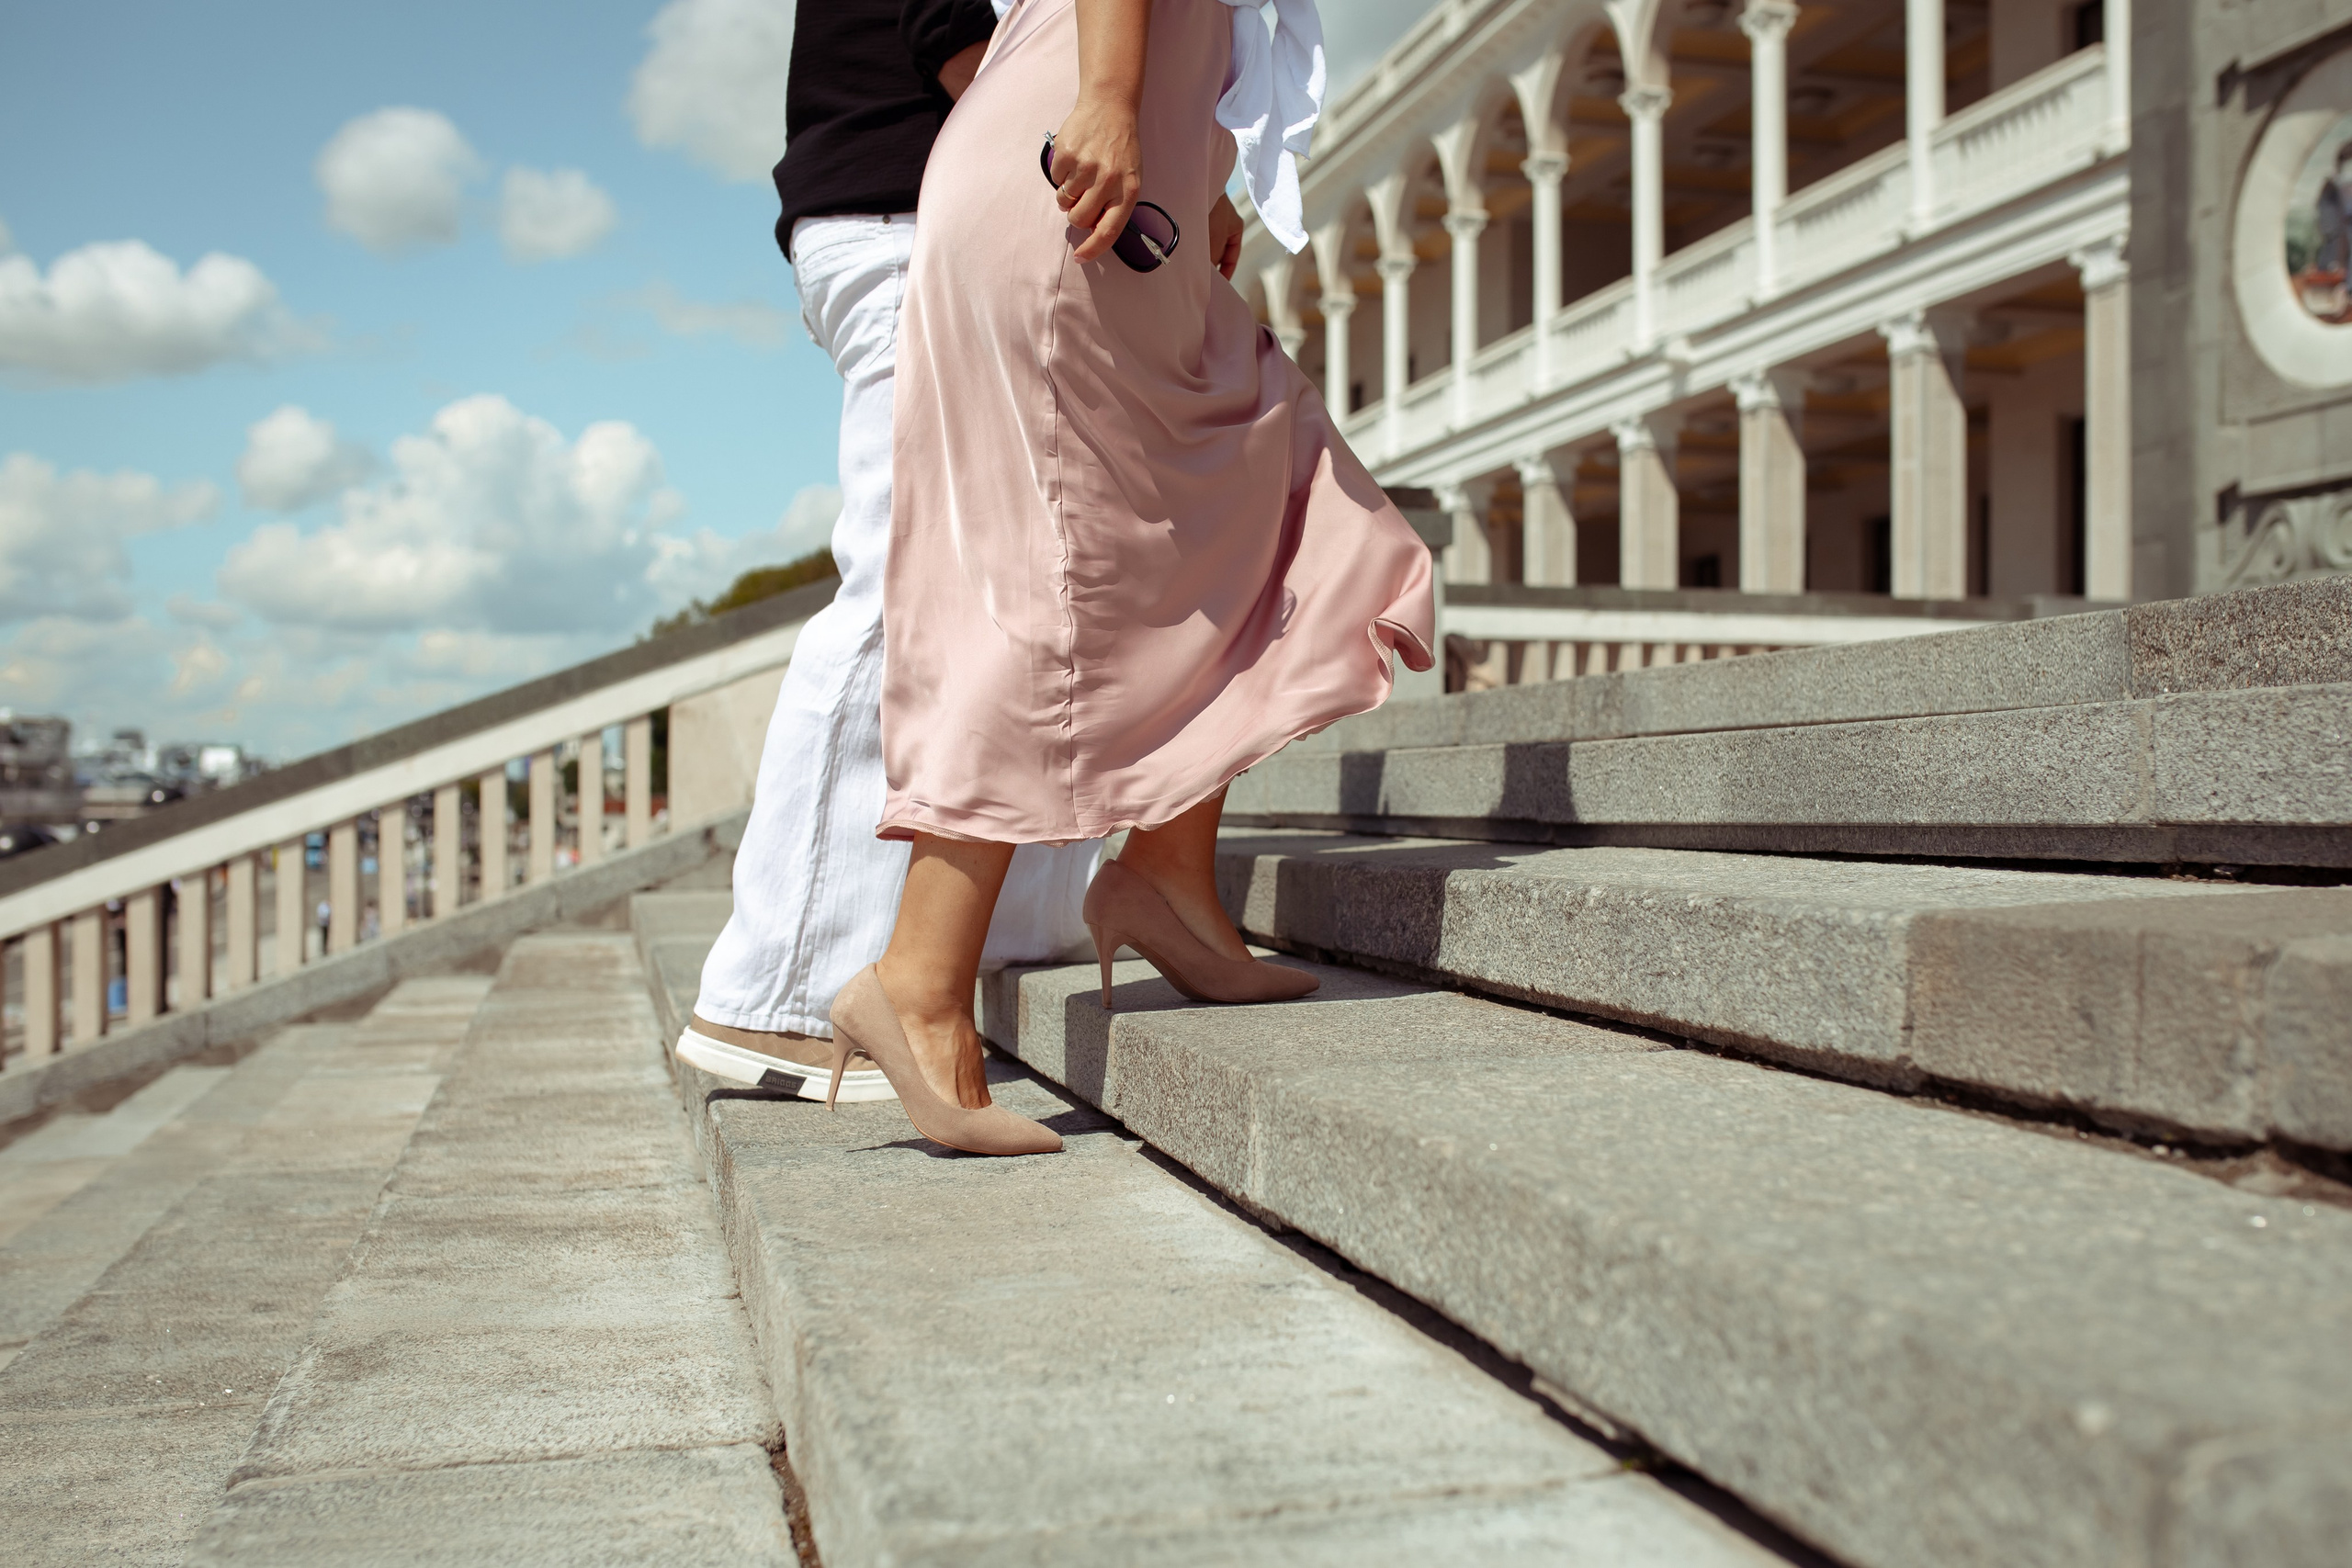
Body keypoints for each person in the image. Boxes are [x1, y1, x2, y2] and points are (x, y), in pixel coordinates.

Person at [822, 0, 1435, 1155]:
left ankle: (1169, 880)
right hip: (1078, 174)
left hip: (1131, 190)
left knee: (1257, 494)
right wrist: (1107, 97)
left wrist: (1201, 175)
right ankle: (916, 982)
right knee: (1054, 580)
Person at [677, 0, 1104, 1100]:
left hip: (922, 208)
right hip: (903, 215)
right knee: (904, 591)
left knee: (1015, 590)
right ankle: (775, 999)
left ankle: (985, 940)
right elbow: (954, 35)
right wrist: (1107, 156)